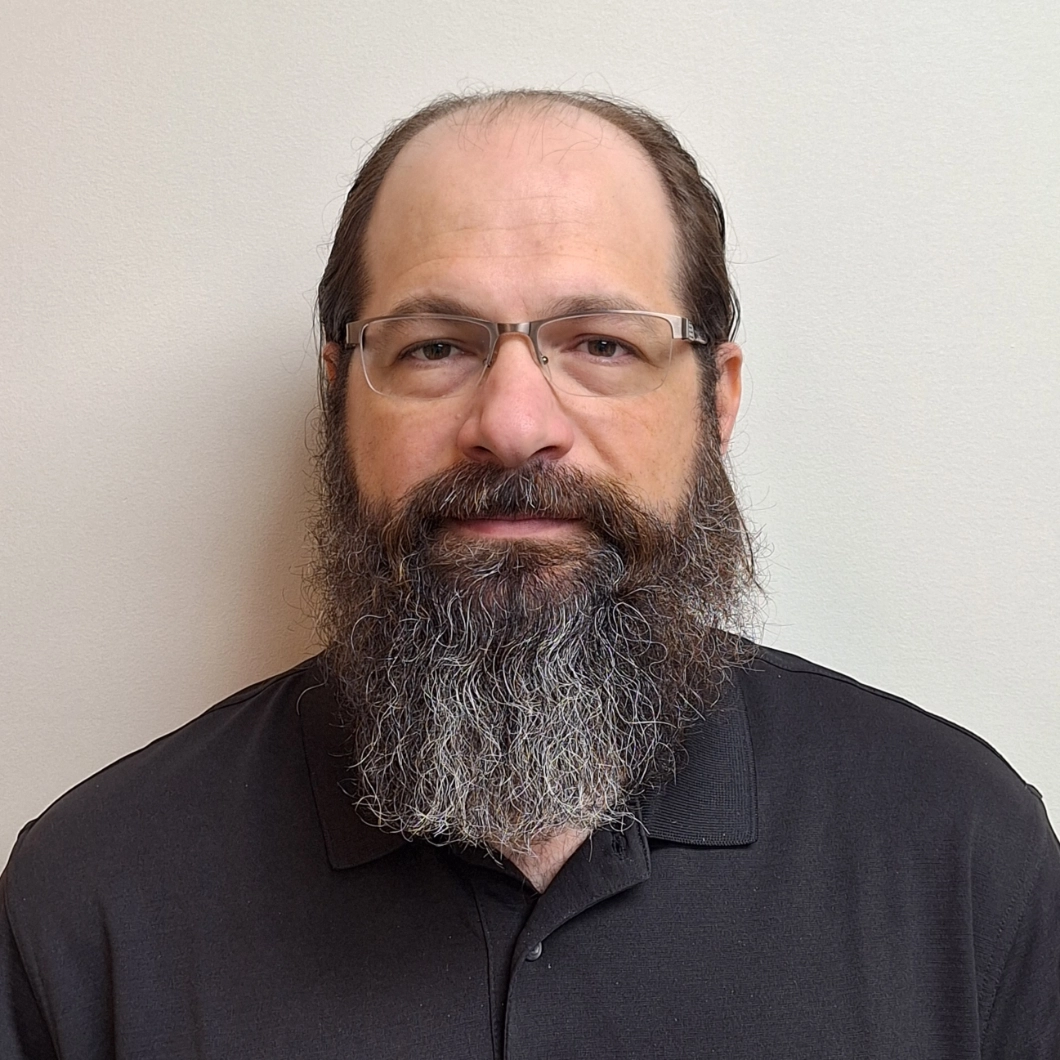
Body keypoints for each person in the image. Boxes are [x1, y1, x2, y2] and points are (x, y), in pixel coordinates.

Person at [2, 89, 1056, 1059]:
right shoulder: (90, 908)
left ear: (717, 399)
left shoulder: (964, 865)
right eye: (433, 347)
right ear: (339, 399)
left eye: (600, 343)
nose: (513, 424)